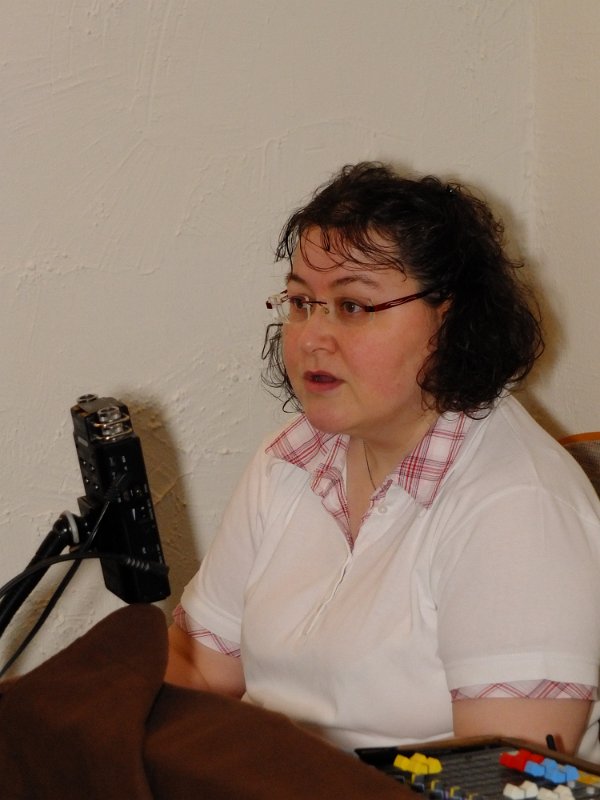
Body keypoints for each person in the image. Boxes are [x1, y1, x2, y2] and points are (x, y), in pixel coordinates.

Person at [166, 162, 600, 760]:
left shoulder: (518, 507)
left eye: (352, 306)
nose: (310, 337)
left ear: (451, 319)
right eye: (301, 302)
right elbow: (197, 670)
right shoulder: (288, 460)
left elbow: (498, 775)